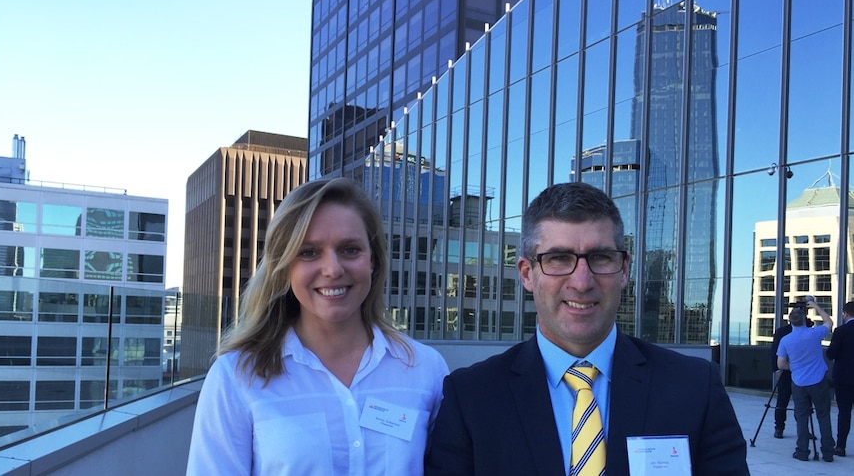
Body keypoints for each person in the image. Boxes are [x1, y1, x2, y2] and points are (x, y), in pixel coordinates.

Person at [424, 182, 748, 475]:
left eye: (601, 257)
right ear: (526, 274)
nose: (581, 282)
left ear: (624, 270)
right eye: (559, 258)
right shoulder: (471, 397)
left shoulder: (694, 388)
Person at [187, 178, 449, 475]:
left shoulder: (426, 369)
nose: (333, 269)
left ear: (374, 260)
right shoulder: (236, 377)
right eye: (309, 252)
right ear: (284, 266)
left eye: (350, 250)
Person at [777, 301, 835, 462]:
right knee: (823, 415)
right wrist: (816, 307)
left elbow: (780, 364)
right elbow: (829, 322)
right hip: (818, 381)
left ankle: (802, 451)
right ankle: (828, 452)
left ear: (790, 321)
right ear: (804, 320)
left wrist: (794, 367)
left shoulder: (786, 340)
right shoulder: (814, 333)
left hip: (798, 382)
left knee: (801, 417)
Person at [770, 310, 813, 438]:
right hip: (786, 371)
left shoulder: (808, 331)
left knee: (804, 402)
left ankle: (804, 429)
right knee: (782, 401)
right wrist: (777, 369)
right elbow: (774, 352)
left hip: (802, 371)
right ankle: (779, 428)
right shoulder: (782, 332)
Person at [828, 300, 854, 457]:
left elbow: (831, 354)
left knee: (844, 412)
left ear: (846, 313)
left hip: (844, 378)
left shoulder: (841, 331)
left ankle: (841, 446)